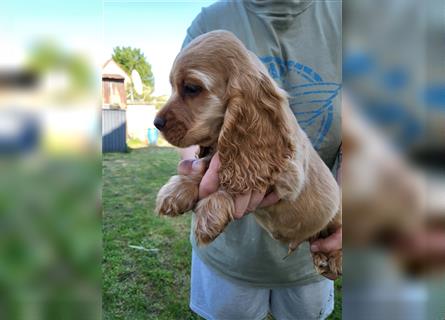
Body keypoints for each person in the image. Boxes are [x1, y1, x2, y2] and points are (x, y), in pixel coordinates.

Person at [177, 1, 342, 319]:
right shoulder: (210, 23)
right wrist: (196, 172)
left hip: (311, 246)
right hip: (229, 253)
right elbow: (187, 122)